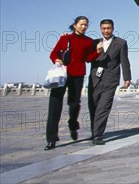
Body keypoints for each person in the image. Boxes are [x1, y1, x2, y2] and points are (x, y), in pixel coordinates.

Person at [44, 16, 96, 151]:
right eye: (81, 24)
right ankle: (51, 139)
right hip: (62, 75)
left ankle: (73, 124)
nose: (84, 27)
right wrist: (56, 59)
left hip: (77, 76)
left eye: (86, 25)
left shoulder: (89, 42)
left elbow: (88, 58)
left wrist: (97, 52)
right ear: (75, 25)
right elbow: (53, 53)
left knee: (74, 104)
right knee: (55, 106)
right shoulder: (65, 38)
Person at [88, 19, 132, 145]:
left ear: (113, 28)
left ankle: (98, 135)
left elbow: (124, 61)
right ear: (100, 29)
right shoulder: (95, 43)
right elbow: (87, 58)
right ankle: (94, 131)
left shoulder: (121, 43)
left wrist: (127, 77)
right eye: (103, 28)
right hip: (94, 79)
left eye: (108, 28)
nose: (106, 31)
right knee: (93, 107)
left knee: (103, 108)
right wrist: (97, 52)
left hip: (111, 79)